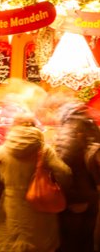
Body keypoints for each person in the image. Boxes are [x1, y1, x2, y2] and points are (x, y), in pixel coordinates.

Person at [0, 117, 72, 252]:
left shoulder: (3, 150)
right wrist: (54, 186)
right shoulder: (44, 150)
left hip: (11, 207)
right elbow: (64, 173)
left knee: (12, 243)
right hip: (40, 206)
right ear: (34, 127)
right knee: (39, 243)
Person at [53, 100, 100, 251]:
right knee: (86, 240)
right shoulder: (89, 124)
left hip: (76, 195)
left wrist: (68, 195)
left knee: (70, 241)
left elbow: (65, 164)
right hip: (91, 193)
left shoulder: (69, 127)